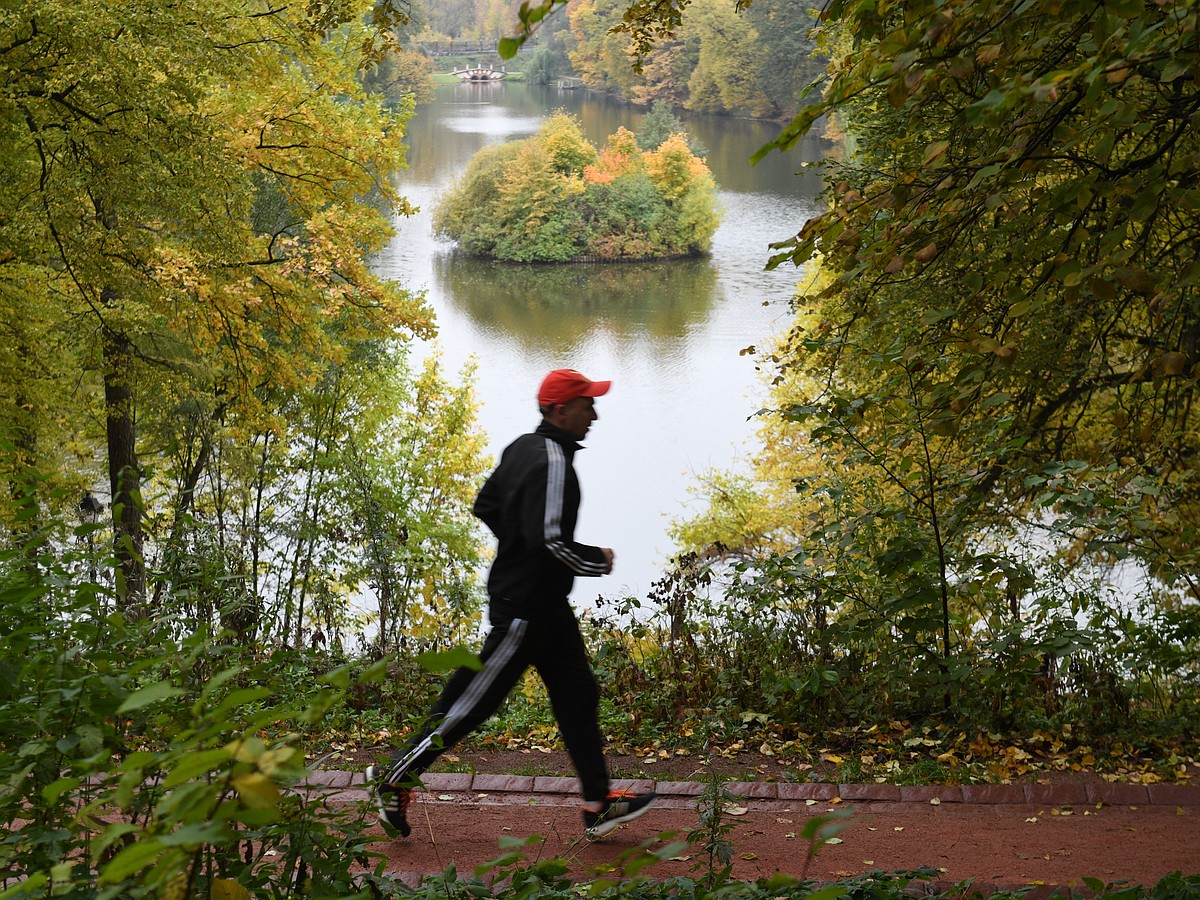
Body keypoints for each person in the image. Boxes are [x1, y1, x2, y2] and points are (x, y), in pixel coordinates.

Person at [367, 368, 657, 839]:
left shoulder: (522, 447)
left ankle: (597, 803)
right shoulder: (553, 462)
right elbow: (551, 543)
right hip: (525, 608)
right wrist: (596, 560)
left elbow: (486, 505)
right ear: (561, 410)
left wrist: (522, 547)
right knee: (470, 703)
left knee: (578, 696)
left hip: (546, 607)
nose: (595, 413)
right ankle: (393, 780)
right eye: (588, 404)